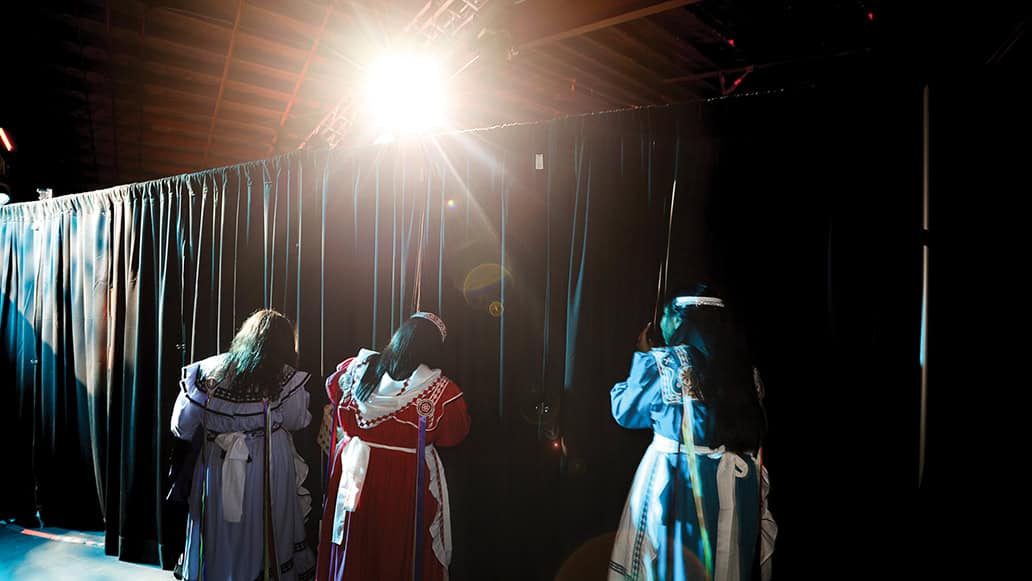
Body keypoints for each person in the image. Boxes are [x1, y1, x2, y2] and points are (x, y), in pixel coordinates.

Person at [608, 284, 776, 581]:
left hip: (685, 487)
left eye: (665, 317)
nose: (661, 324)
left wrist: (642, 355)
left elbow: (626, 410)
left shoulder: (665, 363)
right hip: (736, 491)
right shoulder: (745, 371)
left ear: (678, 320)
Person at [317, 312, 470, 581]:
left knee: (358, 540)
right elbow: (452, 435)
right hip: (402, 479)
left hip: (357, 475)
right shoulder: (440, 390)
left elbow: (335, 399)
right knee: (396, 544)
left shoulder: (357, 371)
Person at [171, 309, 315, 581]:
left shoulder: (207, 370)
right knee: (264, 524)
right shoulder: (285, 378)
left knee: (220, 529)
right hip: (267, 462)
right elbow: (298, 419)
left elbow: (182, 426)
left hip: (217, 462)